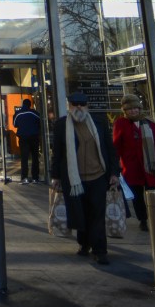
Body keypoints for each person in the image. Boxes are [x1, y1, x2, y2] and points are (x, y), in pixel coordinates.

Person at [50, 89, 119, 264]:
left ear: (87, 106)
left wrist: (114, 173)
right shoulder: (61, 125)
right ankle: (84, 244)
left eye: (82, 104)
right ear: (69, 106)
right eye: (75, 104)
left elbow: (109, 149)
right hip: (74, 178)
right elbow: (57, 152)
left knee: (97, 214)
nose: (79, 108)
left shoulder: (99, 122)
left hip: (98, 175)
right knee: (79, 213)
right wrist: (55, 176)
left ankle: (100, 250)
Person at [112, 93, 155, 232]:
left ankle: (154, 218)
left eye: (135, 108)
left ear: (139, 108)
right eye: (129, 109)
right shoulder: (121, 124)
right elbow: (117, 146)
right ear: (125, 111)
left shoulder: (150, 124)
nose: (133, 111)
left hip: (150, 166)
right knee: (137, 197)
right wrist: (115, 165)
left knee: (152, 195)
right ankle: (143, 219)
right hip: (132, 167)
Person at [12, 97, 42, 183]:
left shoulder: (17, 114)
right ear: (30, 105)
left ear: (23, 104)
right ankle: (35, 178)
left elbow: (15, 124)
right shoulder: (34, 113)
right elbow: (40, 122)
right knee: (35, 157)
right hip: (34, 137)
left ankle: (24, 177)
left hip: (23, 138)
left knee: (24, 158)